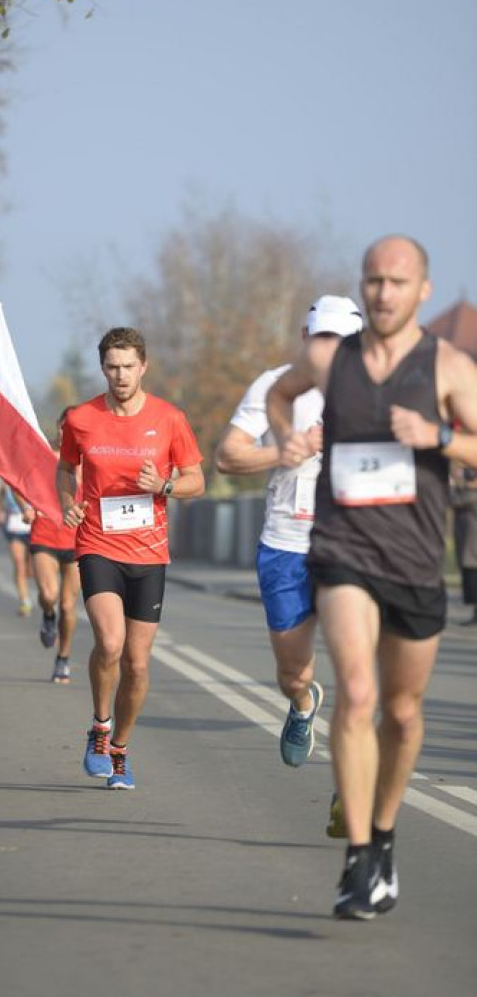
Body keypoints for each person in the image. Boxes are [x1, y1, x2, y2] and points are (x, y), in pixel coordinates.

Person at [266, 235, 477, 920]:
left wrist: (440, 438)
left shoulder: (447, 365)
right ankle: (358, 859)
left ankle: (383, 835)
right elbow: (280, 392)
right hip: (342, 551)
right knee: (356, 696)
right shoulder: (331, 360)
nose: (383, 291)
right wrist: (287, 441)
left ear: (423, 289)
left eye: (397, 280)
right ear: (363, 287)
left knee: (403, 711)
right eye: (373, 280)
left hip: (415, 562)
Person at [215, 296, 363, 770]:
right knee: (293, 671)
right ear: (305, 338)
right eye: (322, 338)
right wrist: (284, 453)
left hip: (353, 549)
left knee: (358, 677)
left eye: (341, 341)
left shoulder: (381, 391)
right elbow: (227, 457)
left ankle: (353, 781)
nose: (330, 349)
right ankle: (301, 704)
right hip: (286, 545)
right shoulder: (276, 386)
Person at [57, 327, 205, 789]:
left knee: (138, 665)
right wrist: (68, 501)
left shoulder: (169, 419)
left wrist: (162, 486)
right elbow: (65, 469)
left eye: (128, 367)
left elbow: (197, 482)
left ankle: (120, 748)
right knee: (111, 643)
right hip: (98, 543)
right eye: (111, 367)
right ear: (103, 369)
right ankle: (99, 730)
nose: (120, 376)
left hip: (149, 551)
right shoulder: (81, 419)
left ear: (143, 366)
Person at [18, 408, 82, 684]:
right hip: (44, 534)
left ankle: (63, 658)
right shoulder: (42, 455)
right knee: (49, 593)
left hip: (78, 539)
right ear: (57, 427)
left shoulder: (87, 460)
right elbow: (16, 482)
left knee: (69, 606)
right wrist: (25, 507)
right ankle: (46, 613)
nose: (66, 432)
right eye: (63, 427)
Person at [0, 483, 33, 615]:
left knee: (30, 570)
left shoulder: (35, 478)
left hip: (35, 528)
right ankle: (25, 601)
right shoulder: (6, 484)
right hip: (15, 528)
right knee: (19, 564)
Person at [450, 457, 477, 626]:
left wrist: (464, 486)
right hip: (467, 543)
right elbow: (451, 499)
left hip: (473, 547)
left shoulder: (468, 495)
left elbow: (459, 500)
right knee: (470, 581)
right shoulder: (464, 492)